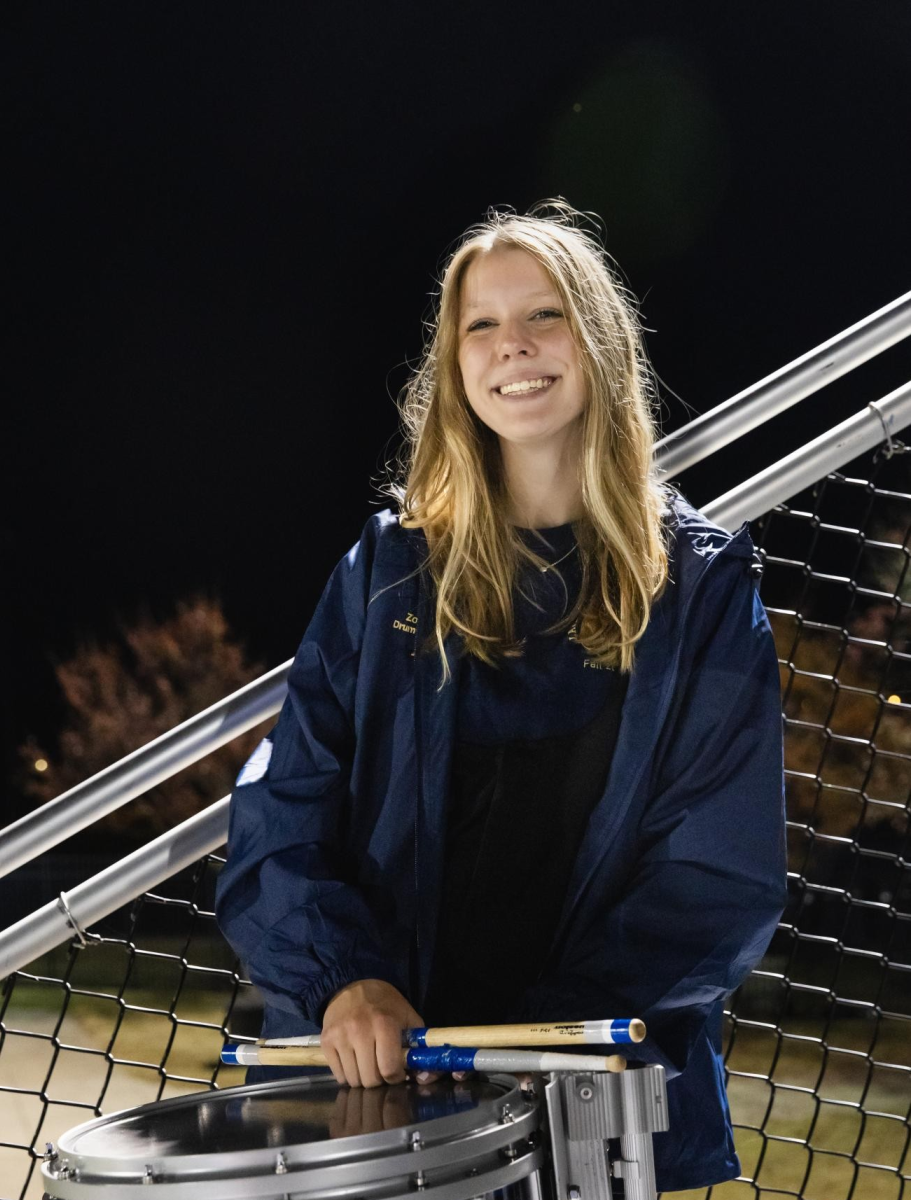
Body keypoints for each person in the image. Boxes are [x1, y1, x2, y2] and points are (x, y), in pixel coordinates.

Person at [216, 200, 788, 1192]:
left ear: (599, 341)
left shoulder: (698, 589)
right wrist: (342, 981)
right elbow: (284, 807)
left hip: (588, 1107)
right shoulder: (388, 573)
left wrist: (552, 1049)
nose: (510, 347)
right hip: (385, 1088)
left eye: (543, 316)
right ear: (453, 365)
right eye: (479, 324)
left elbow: (715, 874)